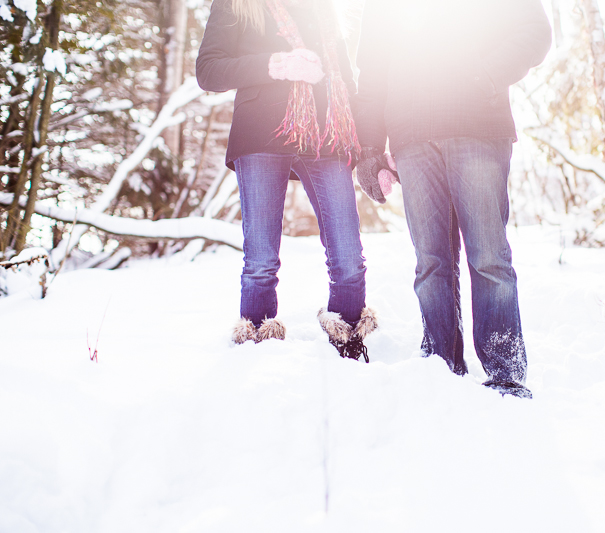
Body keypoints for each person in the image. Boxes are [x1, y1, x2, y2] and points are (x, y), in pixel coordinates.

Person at [354, 0, 551, 396]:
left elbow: (535, 32)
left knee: (489, 256)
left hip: (476, 125)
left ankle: (505, 374)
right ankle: (439, 366)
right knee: (430, 261)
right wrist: (370, 150)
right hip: (410, 137)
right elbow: (372, 73)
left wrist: (483, 77)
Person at [197, 0, 377, 361]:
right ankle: (257, 343)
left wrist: (369, 149)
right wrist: (276, 65)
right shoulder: (238, 4)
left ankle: (348, 335)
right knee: (261, 258)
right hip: (260, 135)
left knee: (348, 254)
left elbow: (347, 80)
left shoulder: (325, 9)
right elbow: (209, 71)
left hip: (327, 137)